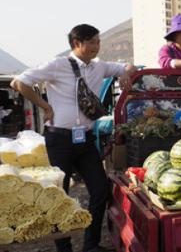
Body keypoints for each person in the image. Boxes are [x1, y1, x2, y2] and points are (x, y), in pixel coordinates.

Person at [11, 24, 136, 252]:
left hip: (85, 140)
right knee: (60, 196)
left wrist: (127, 72)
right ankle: (64, 248)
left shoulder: (99, 68)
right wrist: (44, 106)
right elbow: (18, 82)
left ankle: (90, 245)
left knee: (100, 190)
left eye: (98, 42)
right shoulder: (58, 65)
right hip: (59, 140)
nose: (97, 47)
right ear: (77, 43)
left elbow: (127, 66)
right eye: (93, 43)